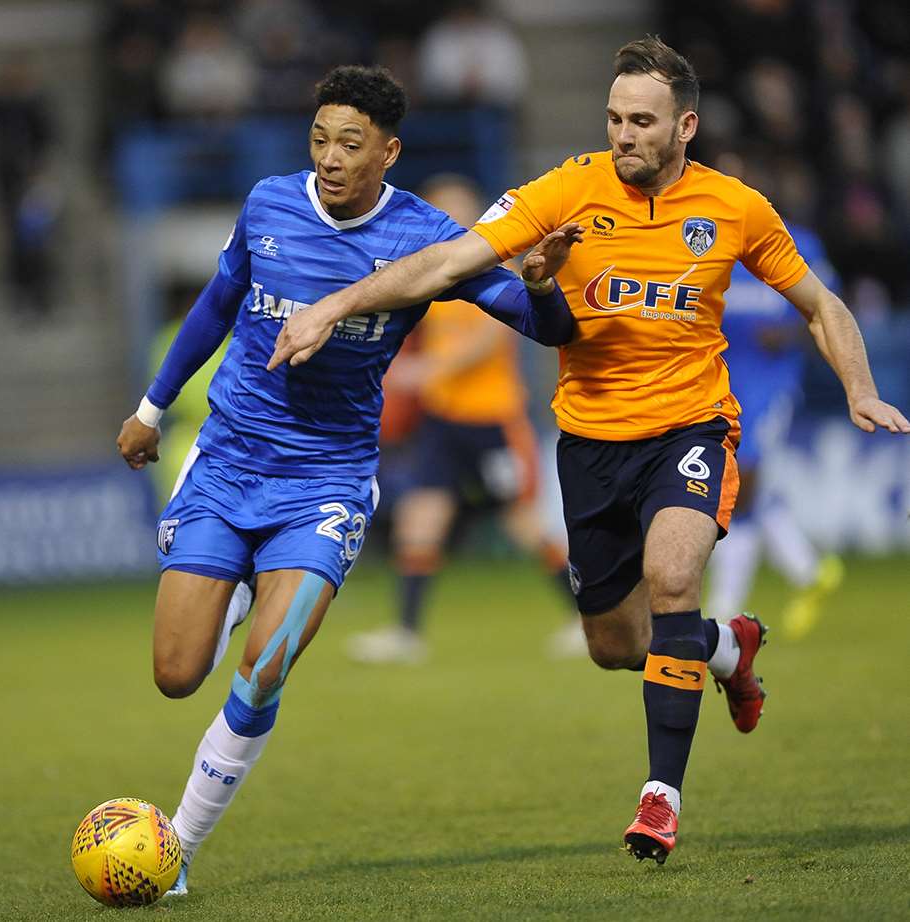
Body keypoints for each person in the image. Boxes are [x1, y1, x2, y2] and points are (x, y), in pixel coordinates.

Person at [266, 38, 910, 864]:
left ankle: (659, 799)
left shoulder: (735, 208)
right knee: (615, 644)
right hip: (590, 442)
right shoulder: (567, 189)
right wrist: (331, 306)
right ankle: (724, 647)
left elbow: (820, 305)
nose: (623, 134)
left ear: (685, 126)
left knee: (674, 579)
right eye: (613, 118)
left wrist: (857, 388)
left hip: (690, 428)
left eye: (641, 120)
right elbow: (445, 260)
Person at [116, 64, 578, 895]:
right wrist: (152, 409)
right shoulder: (267, 204)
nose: (329, 157)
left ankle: (175, 848)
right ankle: (240, 592)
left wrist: (542, 289)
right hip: (226, 464)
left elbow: (540, 325)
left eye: (350, 144)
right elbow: (217, 306)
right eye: (319, 139)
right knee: (177, 675)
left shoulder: (427, 239)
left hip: (325, 482)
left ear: (388, 152)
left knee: (264, 668)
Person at [346, 174, 585, 665]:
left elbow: (490, 340)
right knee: (421, 517)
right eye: (443, 209)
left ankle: (586, 618)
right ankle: (406, 632)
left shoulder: (496, 264)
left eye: (460, 208)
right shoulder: (430, 271)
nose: (452, 218)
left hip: (490, 421)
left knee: (523, 522)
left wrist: (429, 370)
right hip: (442, 419)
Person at [707, 219, 844, 638]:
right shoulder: (715, 245)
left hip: (774, 386)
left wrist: (787, 334)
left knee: (739, 487)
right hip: (726, 385)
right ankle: (810, 570)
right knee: (743, 491)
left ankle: (724, 607)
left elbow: (827, 307)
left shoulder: (797, 243)